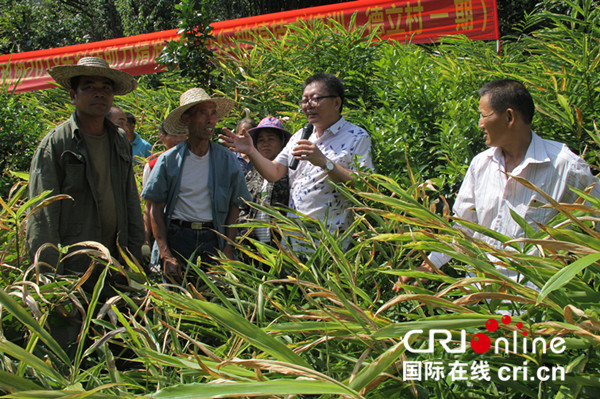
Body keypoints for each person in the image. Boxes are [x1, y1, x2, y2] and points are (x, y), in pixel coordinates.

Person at [396, 79, 600, 290]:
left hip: (536, 303)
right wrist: (429, 266)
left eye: (484, 115)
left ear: (509, 117)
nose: (480, 124)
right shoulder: (481, 165)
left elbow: (596, 225)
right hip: (481, 295)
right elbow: (463, 227)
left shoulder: (566, 167)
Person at [27, 56, 144, 280]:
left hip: (116, 261)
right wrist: (50, 277)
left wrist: (135, 256)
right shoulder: (57, 143)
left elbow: (130, 198)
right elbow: (43, 215)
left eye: (106, 88)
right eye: (89, 87)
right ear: (74, 96)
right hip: (75, 264)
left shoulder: (119, 139)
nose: (99, 93)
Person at [220, 73, 374, 239]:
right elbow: (274, 172)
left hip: (331, 238)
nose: (308, 105)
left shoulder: (356, 137)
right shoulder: (301, 135)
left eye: (315, 99)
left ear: (336, 103)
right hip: (294, 235)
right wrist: (251, 150)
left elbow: (365, 185)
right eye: (304, 100)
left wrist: (324, 163)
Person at [141, 88, 251, 283]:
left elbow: (235, 205)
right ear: (186, 119)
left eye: (213, 113)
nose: (210, 120)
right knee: (179, 301)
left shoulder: (226, 159)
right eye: (202, 113)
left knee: (215, 301)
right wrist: (165, 254)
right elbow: (155, 209)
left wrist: (228, 247)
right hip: (178, 238)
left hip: (213, 239)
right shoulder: (168, 161)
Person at [240, 116, 291, 244]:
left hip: (283, 246)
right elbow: (242, 206)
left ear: (282, 142)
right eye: (261, 140)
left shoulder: (292, 172)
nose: (265, 144)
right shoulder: (252, 174)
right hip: (254, 248)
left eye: (271, 139)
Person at [141, 122, 187, 262]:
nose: (179, 139)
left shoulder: (199, 162)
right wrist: (146, 239)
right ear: (162, 137)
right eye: (173, 135)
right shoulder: (153, 166)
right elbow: (149, 206)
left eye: (182, 134)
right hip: (164, 231)